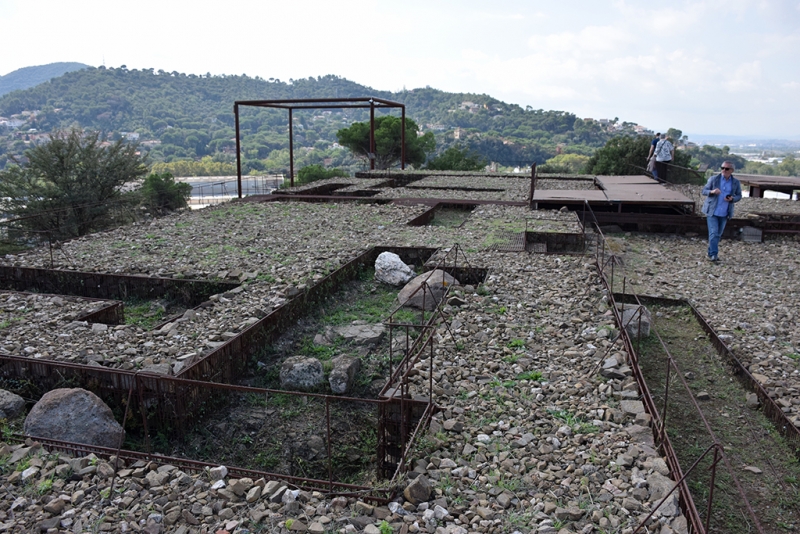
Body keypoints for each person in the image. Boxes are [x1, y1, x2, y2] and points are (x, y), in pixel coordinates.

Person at [701, 161, 742, 262]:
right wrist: (712, 192)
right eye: (722, 168)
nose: (724, 170)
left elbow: (739, 195)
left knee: (718, 234)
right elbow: (704, 191)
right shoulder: (714, 179)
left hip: (725, 213)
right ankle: (714, 255)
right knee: (713, 233)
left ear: (731, 171)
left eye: (726, 169)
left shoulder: (735, 182)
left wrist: (732, 199)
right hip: (712, 211)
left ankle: (711, 252)